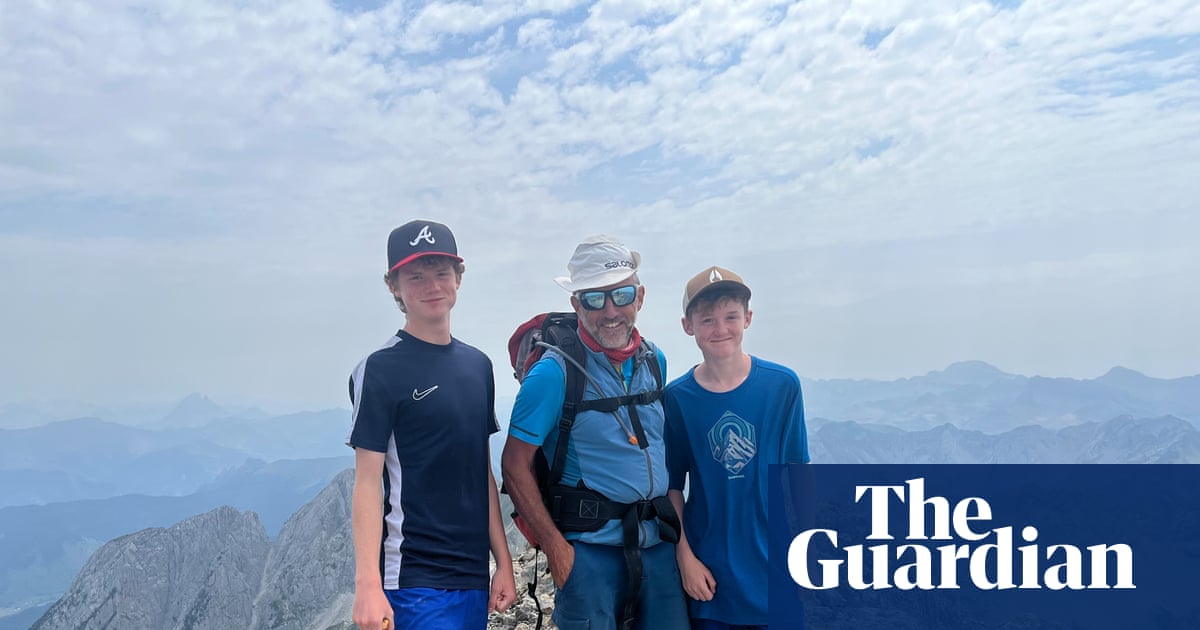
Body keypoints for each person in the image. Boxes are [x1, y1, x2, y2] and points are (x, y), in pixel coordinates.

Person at [501, 235, 689, 630]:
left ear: (639, 297)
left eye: (620, 295)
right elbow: (515, 466)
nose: (609, 311)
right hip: (589, 553)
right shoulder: (552, 374)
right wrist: (556, 549)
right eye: (593, 298)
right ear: (576, 304)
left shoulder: (655, 361)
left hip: (657, 545)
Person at [346, 219, 515, 630]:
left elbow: (480, 469)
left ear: (458, 277)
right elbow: (367, 480)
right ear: (394, 286)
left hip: (472, 575)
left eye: (442, 273)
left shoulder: (478, 366)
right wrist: (367, 585)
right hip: (412, 576)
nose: (431, 286)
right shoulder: (379, 369)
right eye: (415, 276)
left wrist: (503, 562)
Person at [664, 266, 811, 630]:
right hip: (710, 578)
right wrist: (686, 560)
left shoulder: (781, 386)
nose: (721, 329)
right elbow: (671, 487)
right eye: (708, 320)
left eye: (731, 317)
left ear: (748, 318)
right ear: (688, 325)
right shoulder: (678, 399)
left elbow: (799, 474)